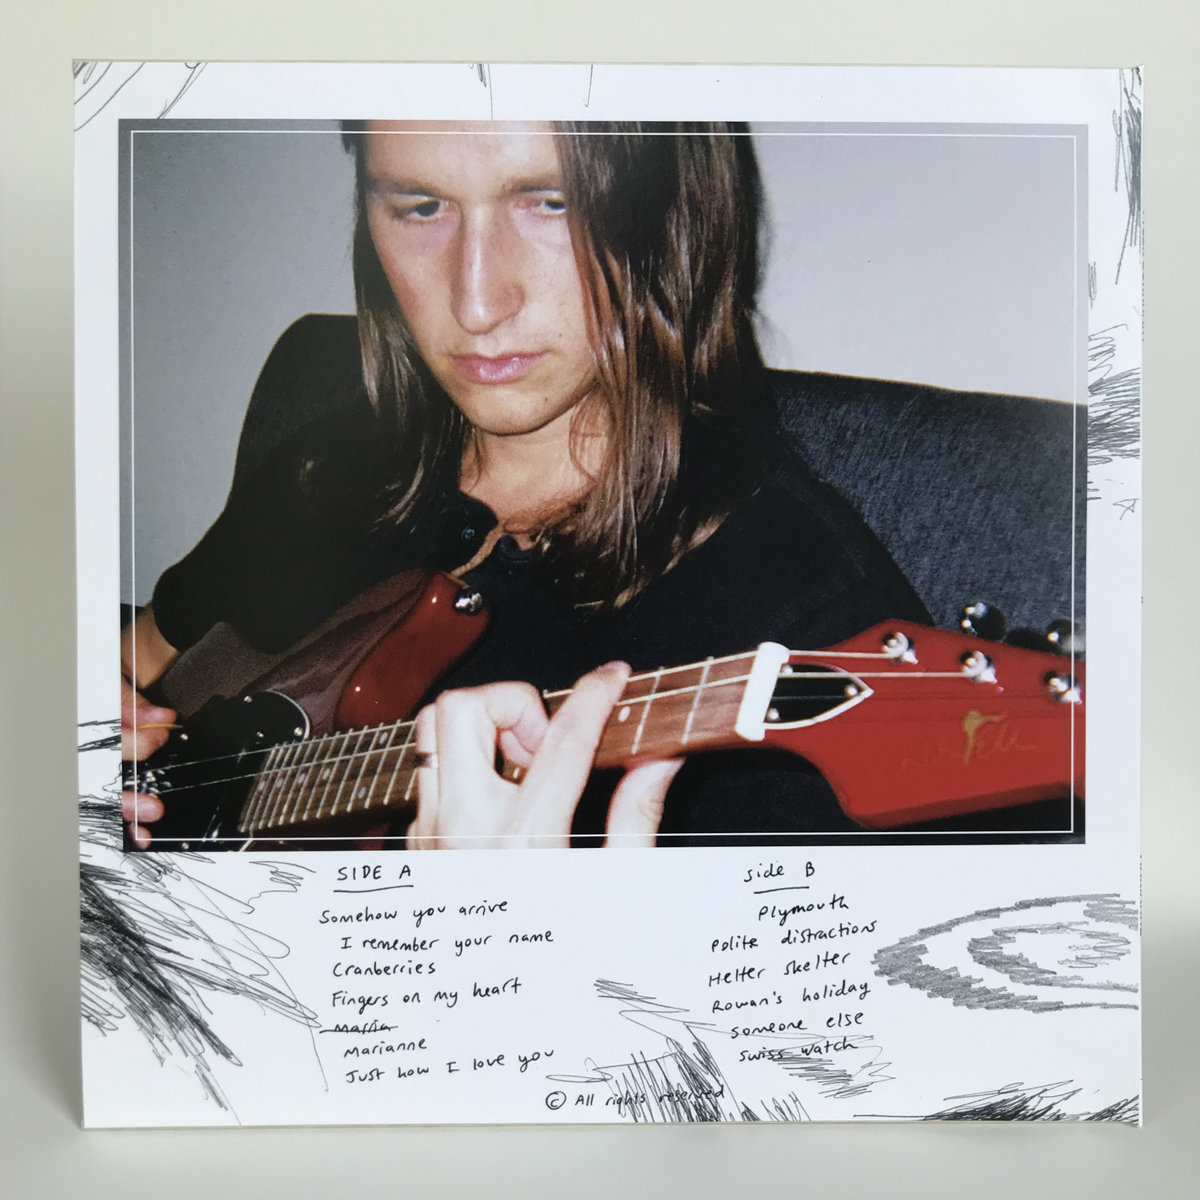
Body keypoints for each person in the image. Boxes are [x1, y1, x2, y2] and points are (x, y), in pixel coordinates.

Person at [121, 120, 930, 850]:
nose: (476, 303)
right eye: (420, 207)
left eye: (552, 204)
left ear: (675, 215)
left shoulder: (809, 627)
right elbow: (144, 654)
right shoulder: (333, 463)